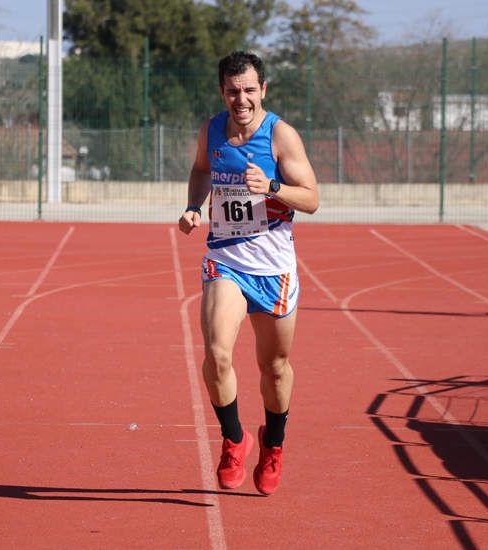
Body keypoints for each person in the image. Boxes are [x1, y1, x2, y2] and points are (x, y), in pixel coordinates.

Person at [178, 51, 319, 495]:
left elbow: (312, 199)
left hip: (274, 267)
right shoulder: (212, 131)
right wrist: (192, 208)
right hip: (227, 259)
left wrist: (273, 186)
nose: (241, 99)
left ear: (264, 90)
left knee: (274, 367)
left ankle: (272, 444)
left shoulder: (281, 136)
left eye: (249, 90)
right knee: (217, 352)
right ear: (223, 91)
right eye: (233, 90)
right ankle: (233, 438)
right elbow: (202, 169)